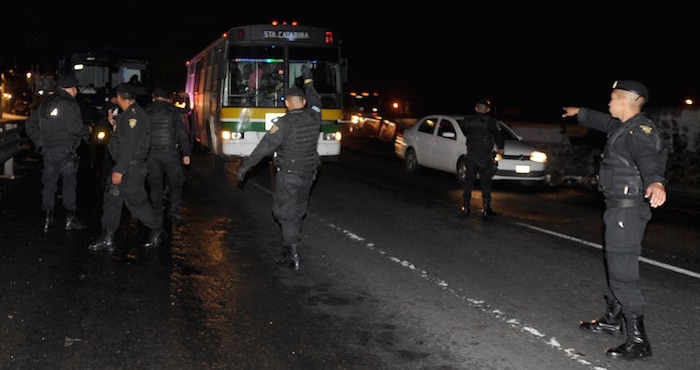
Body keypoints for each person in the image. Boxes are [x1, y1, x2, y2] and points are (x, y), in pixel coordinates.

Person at [562, 80, 667, 360]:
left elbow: (648, 157)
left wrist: (656, 182)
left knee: (623, 272)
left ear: (624, 100)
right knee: (615, 262)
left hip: (627, 211)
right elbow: (602, 121)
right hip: (620, 209)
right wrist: (580, 112)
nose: (608, 103)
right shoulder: (623, 127)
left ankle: (637, 340)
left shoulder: (637, 132)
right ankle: (612, 319)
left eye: (612, 98)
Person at [236, 65, 321, 271]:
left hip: (289, 176)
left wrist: (245, 166)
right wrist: (308, 80)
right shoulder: (315, 116)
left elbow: (264, 147)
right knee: (298, 210)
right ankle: (289, 248)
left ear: (286, 103)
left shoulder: (283, 123)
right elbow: (316, 100)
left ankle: (292, 255)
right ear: (303, 102)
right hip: (309, 175)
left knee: (283, 213)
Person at [88, 83, 167, 252]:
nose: (115, 100)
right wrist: (115, 125)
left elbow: (130, 145)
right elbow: (125, 138)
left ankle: (157, 229)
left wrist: (119, 170)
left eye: (117, 97)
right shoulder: (127, 115)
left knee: (136, 203)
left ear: (121, 97)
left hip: (131, 168)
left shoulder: (134, 116)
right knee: (111, 201)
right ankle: (107, 238)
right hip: (124, 165)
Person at [24, 74, 91, 232]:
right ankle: (70, 219)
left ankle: (48, 218)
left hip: (48, 151)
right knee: (69, 184)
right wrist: (87, 129)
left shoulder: (46, 104)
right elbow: (75, 129)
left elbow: (30, 123)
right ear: (69, 88)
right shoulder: (70, 105)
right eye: (75, 88)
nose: (77, 91)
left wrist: (39, 142)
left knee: (49, 184)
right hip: (67, 151)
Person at [145, 87, 192, 225]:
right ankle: (173, 210)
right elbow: (182, 134)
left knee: (155, 183)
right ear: (167, 98)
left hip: (152, 153)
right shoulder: (173, 111)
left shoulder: (146, 110)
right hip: (170, 153)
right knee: (176, 181)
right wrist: (187, 153)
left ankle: (157, 211)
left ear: (154, 97)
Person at [460, 98, 504, 219]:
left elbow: (464, 131)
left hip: (471, 155)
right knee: (485, 182)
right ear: (488, 110)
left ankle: (465, 207)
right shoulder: (491, 122)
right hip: (484, 156)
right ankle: (486, 209)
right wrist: (501, 148)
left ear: (476, 108)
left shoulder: (468, 121)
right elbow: (499, 135)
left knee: (468, 181)